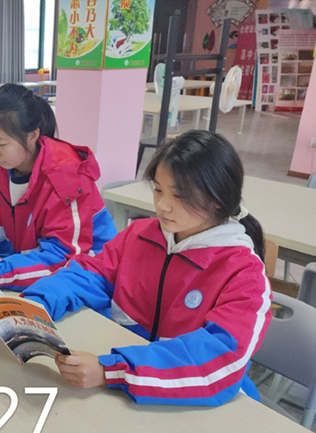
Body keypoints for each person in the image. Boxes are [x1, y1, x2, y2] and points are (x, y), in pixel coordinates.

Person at [21, 130, 272, 406]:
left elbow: (216, 362)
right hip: (126, 389)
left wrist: (112, 371)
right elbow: (90, 273)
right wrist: (36, 303)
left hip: (195, 401)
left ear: (218, 198)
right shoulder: (139, 235)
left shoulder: (244, 274)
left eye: (180, 196)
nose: (162, 206)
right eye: (158, 189)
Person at [0, 83, 116, 291]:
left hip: (85, 279)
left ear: (32, 136)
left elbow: (63, 257)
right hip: (33, 271)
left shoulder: (66, 178)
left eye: (2, 143)